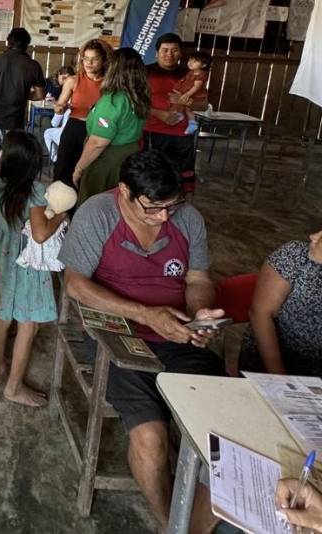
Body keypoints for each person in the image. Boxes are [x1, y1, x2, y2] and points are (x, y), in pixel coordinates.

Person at [58, 149, 225, 530]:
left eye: (172, 205)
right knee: (151, 436)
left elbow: (198, 280)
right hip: (117, 336)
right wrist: (145, 314)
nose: (164, 217)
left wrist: (200, 314)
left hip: (178, 335)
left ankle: (193, 526)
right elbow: (75, 285)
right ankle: (171, 523)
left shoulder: (188, 219)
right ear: (124, 192)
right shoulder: (98, 214)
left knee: (227, 431)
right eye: (153, 208)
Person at [0, 131, 64, 407]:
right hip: (28, 264)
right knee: (28, 324)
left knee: (1, 315)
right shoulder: (36, 191)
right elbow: (40, 234)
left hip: (2, 257)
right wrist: (60, 215)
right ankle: (13, 387)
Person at [238, 229, 322, 375]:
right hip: (272, 367)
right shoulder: (294, 256)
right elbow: (260, 314)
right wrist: (280, 378)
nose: (314, 237)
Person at [73, 47, 149, 206]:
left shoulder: (113, 100)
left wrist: (79, 168)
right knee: (120, 204)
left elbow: (98, 143)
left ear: (113, 69)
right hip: (130, 155)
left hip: (107, 160)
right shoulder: (138, 97)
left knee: (94, 205)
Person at [0, 28, 45, 154]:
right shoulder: (33, 65)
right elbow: (40, 95)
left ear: (8, 42)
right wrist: (21, 93)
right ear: (26, 44)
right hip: (14, 124)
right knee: (11, 163)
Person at [52, 39, 110, 188]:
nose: (89, 63)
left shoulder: (109, 83)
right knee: (63, 170)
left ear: (103, 60)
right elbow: (59, 105)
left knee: (89, 173)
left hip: (98, 131)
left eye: (94, 59)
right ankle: (58, 200)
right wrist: (60, 108)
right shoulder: (73, 80)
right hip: (74, 127)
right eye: (86, 58)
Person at [143, 33, 197, 194]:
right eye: (165, 50)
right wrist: (158, 113)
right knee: (152, 175)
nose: (169, 54)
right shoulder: (144, 72)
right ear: (156, 53)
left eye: (174, 50)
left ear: (180, 53)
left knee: (181, 177)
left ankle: (179, 205)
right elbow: (134, 101)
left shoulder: (190, 76)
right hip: (152, 132)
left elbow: (202, 103)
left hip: (182, 135)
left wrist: (188, 102)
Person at [171, 50, 212, 135]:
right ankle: (181, 117)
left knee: (188, 109)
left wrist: (186, 94)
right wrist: (177, 89)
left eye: (195, 61)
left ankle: (192, 123)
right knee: (180, 105)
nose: (190, 63)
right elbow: (183, 82)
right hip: (187, 94)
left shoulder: (201, 75)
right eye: (190, 60)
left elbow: (196, 87)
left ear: (203, 65)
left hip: (196, 96)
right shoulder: (190, 73)